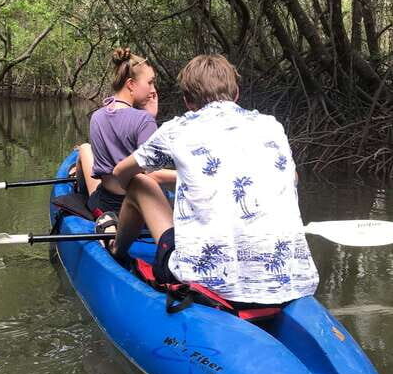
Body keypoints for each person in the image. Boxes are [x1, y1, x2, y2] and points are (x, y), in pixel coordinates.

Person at [111, 54, 318, 306]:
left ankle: (116, 252)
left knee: (138, 184)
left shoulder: (176, 130)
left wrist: (158, 180)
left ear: (188, 101)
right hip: (293, 281)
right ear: (237, 93)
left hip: (203, 282)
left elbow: (121, 173)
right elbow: (292, 178)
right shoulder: (271, 125)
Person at [76, 47, 171, 218]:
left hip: (104, 202)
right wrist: (188, 174)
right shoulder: (143, 121)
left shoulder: (96, 116)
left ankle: (99, 216)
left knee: (84, 148)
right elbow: (153, 173)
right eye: (150, 82)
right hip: (137, 205)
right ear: (131, 84)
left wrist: (149, 117)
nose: (153, 89)